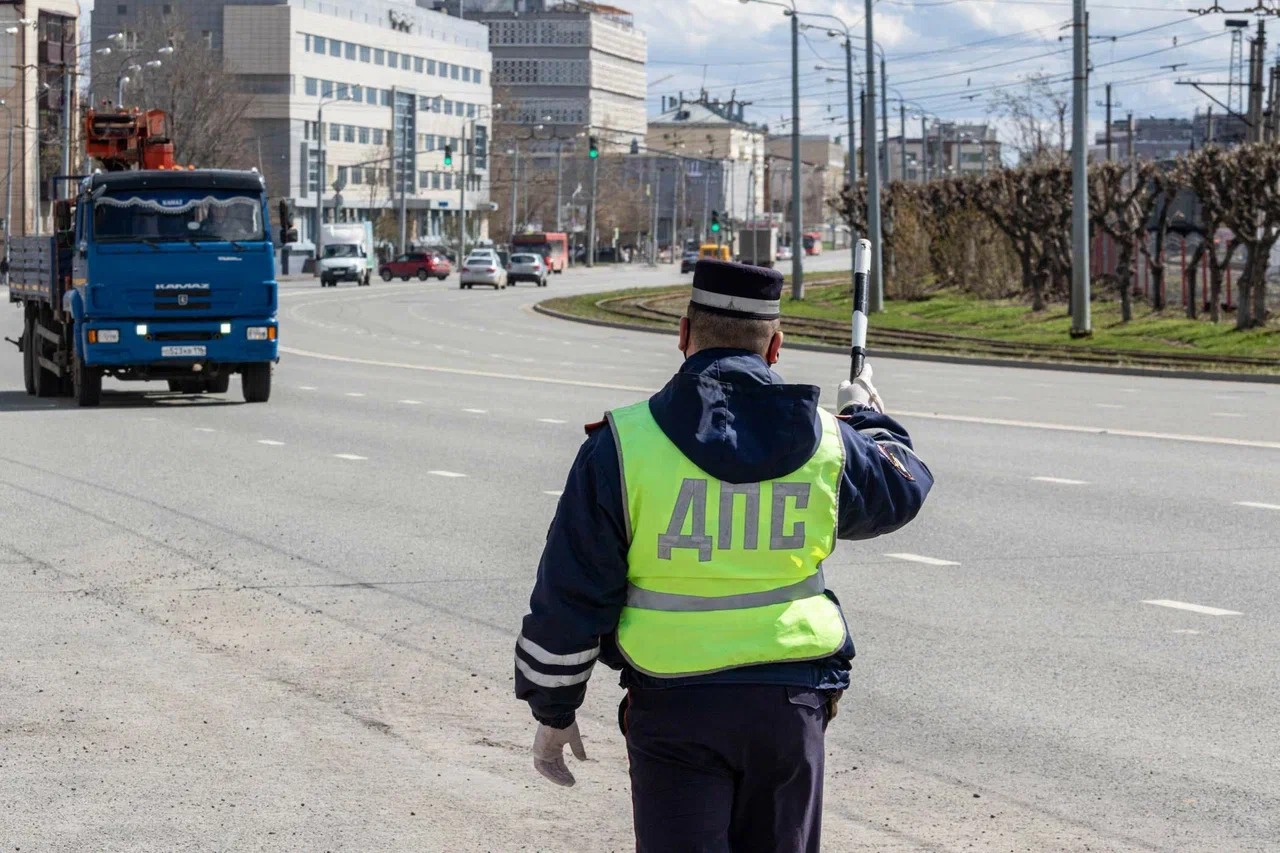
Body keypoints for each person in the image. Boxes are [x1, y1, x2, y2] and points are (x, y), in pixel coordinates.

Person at [514, 259, 933, 852]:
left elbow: (572, 594)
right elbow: (902, 488)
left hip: (673, 705)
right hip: (790, 704)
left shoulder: (622, 445)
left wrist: (554, 710)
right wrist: (866, 416)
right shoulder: (829, 442)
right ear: (776, 347)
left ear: (684, 334)